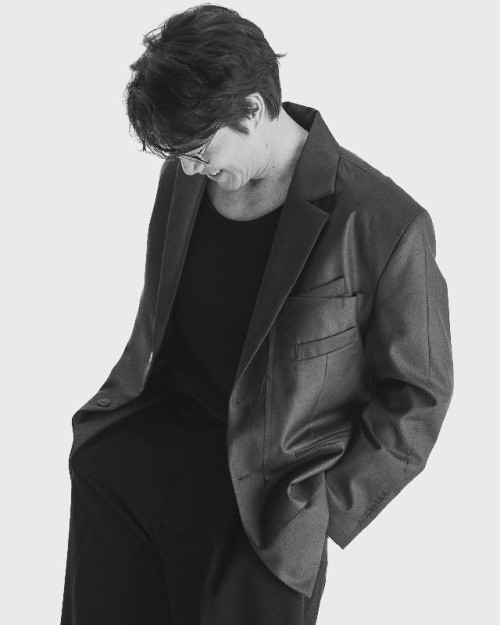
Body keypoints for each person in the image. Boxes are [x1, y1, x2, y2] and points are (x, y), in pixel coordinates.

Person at [60, 4, 454, 625]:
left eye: (198, 149)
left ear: (250, 108)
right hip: (140, 468)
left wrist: (318, 515)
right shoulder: (186, 177)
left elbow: (419, 394)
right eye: (178, 153)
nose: (187, 167)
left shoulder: (383, 221)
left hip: (263, 511)